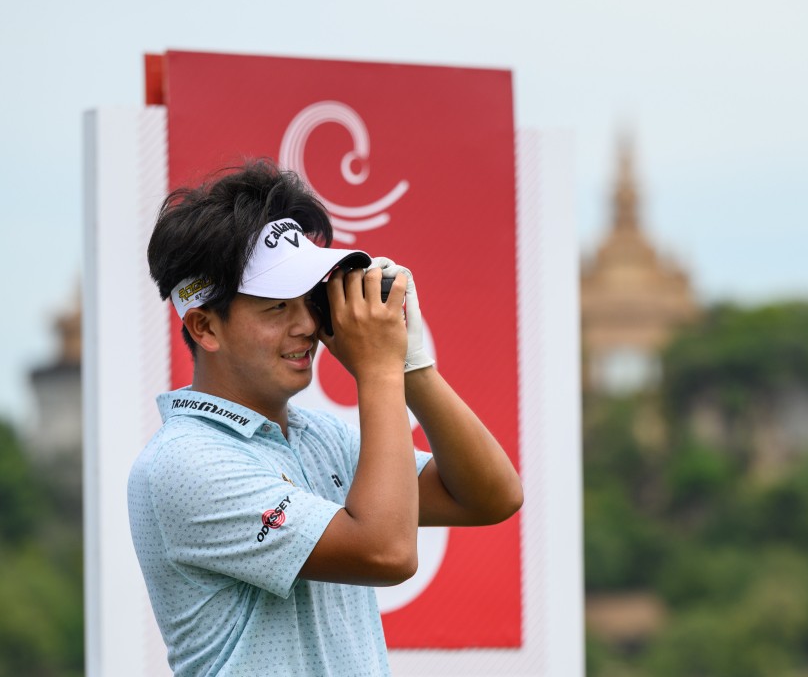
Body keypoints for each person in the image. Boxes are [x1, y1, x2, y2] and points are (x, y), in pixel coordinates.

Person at [127, 160, 523, 676]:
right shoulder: (183, 463)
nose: (308, 324)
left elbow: (492, 496)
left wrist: (412, 368)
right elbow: (387, 552)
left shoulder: (317, 436)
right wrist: (378, 370)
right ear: (204, 326)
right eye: (275, 308)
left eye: (309, 300)